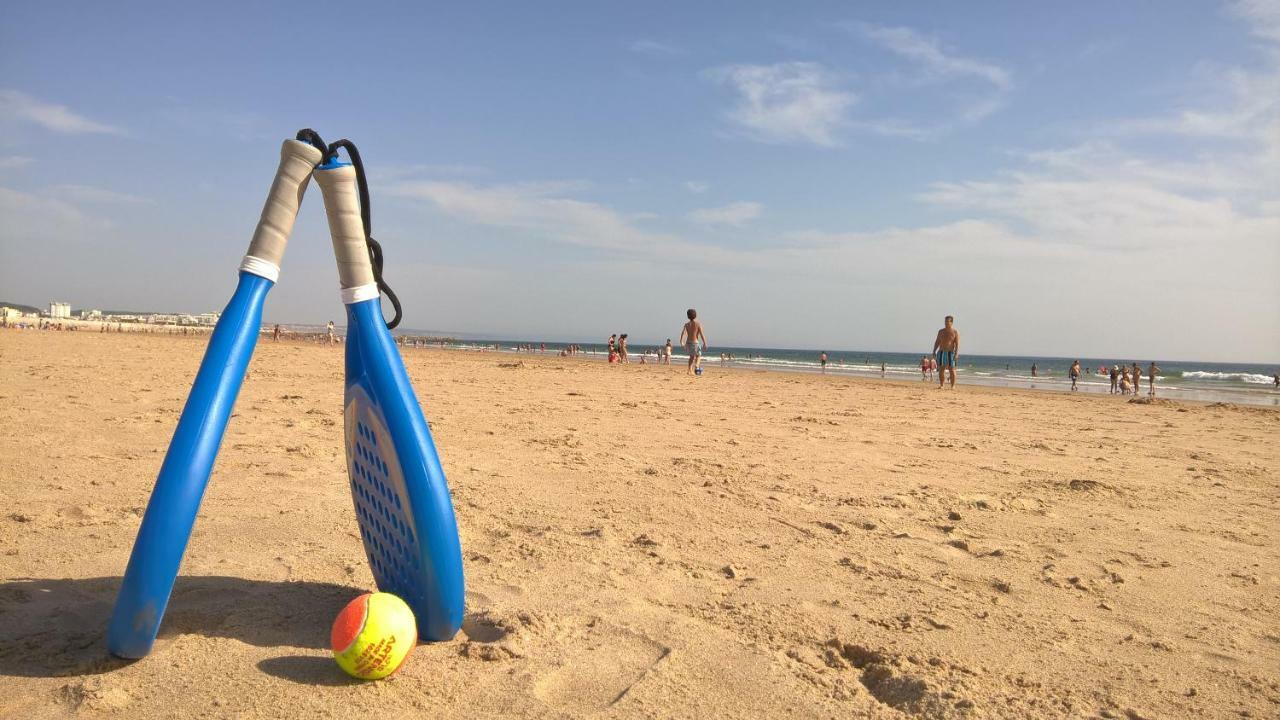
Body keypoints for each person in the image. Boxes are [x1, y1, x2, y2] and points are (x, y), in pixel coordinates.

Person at [932, 315, 959, 389]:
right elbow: (937, 341)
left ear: (951, 322)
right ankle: (942, 385)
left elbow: (957, 343)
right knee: (941, 369)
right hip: (941, 352)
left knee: (952, 370)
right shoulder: (941, 331)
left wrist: (956, 353)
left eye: (948, 321)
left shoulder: (955, 332)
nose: (946, 323)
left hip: (950, 352)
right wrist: (934, 351)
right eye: (945, 321)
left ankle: (953, 386)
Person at [680, 308, 706, 376]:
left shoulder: (686, 324)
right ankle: (697, 366)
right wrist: (705, 343)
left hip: (688, 342)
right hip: (695, 342)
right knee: (698, 355)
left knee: (691, 357)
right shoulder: (697, 324)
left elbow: (683, 333)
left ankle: (689, 370)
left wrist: (681, 341)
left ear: (688, 316)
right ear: (695, 315)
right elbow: (701, 334)